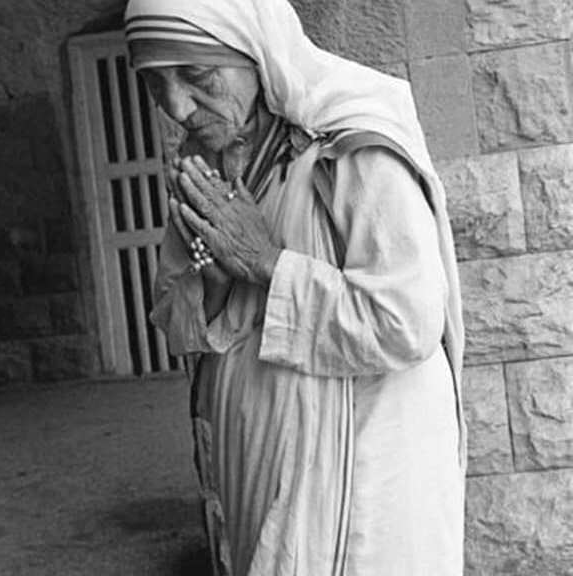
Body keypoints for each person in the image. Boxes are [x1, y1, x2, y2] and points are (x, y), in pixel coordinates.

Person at [124, 0, 467, 574]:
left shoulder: (352, 146)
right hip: (257, 471)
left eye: (196, 75)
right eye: (156, 84)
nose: (177, 107)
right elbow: (178, 321)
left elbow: (406, 322)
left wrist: (265, 263)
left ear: (254, 53)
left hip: (361, 481)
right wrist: (214, 283)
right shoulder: (209, 161)